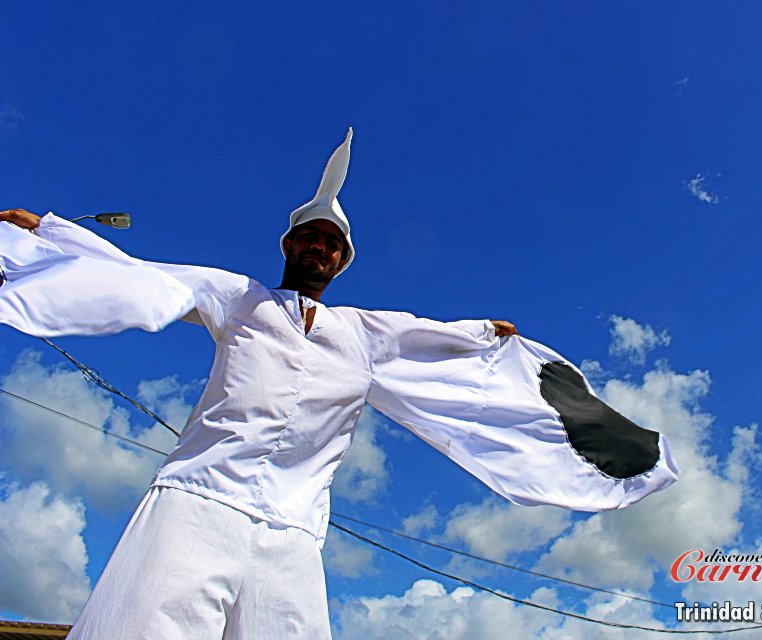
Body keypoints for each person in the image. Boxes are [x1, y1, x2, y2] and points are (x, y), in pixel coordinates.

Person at [0, 130, 679, 639]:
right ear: (289, 246)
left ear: (343, 260)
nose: (320, 248)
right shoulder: (238, 298)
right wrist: (49, 240)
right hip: (199, 500)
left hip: (293, 533)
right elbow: (145, 278)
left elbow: (433, 341)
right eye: (310, 238)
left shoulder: (364, 334)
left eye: (333, 243)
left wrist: (484, 337)